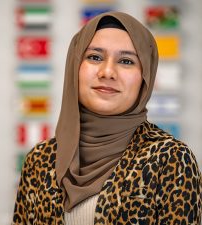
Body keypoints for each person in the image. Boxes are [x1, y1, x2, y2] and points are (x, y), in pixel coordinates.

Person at [12, 11, 202, 224]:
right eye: (95, 57)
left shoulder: (170, 159)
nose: (108, 72)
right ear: (75, 67)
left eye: (126, 61)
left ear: (145, 77)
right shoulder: (39, 160)